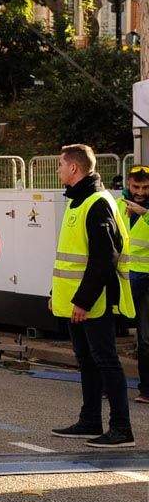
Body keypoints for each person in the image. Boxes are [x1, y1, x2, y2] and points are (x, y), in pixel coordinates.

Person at [47, 145, 136, 448]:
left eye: (60, 164)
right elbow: (71, 260)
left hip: (93, 302)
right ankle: (90, 420)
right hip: (77, 301)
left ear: (74, 168)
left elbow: (104, 258)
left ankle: (122, 428)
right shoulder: (77, 202)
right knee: (86, 360)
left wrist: (83, 301)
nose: (58, 169)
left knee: (106, 360)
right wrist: (55, 294)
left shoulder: (97, 203)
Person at [116, 164, 149, 404]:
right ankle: (109, 385)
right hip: (122, 278)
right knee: (106, 332)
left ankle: (146, 389)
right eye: (135, 186)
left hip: (145, 279)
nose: (140, 191)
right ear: (128, 184)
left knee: (145, 338)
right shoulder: (118, 206)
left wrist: (145, 214)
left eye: (146, 187)